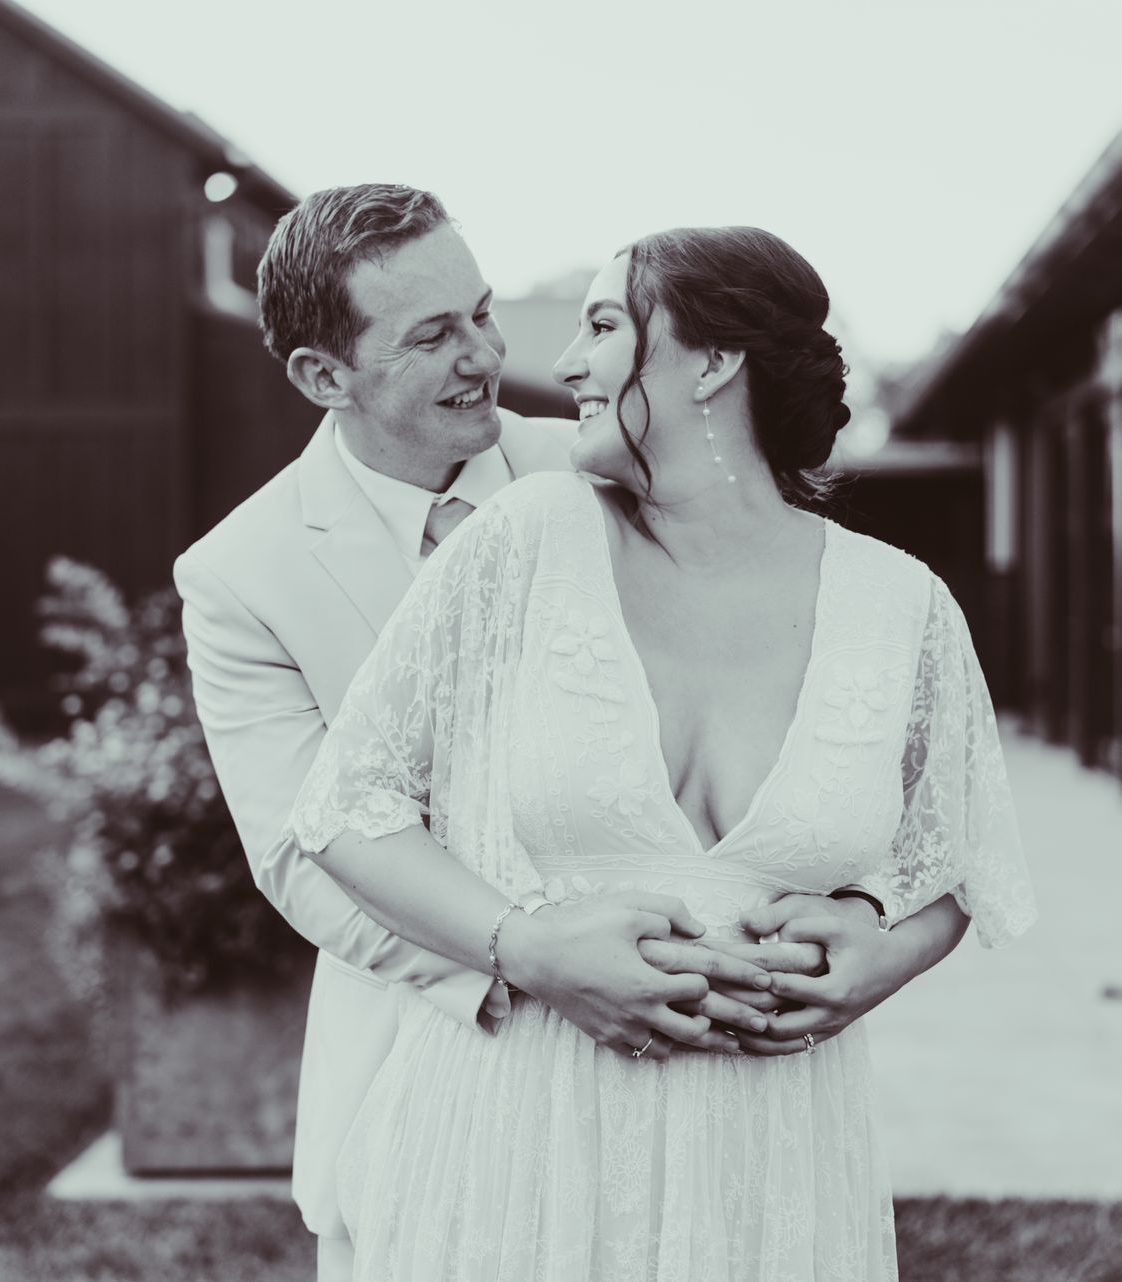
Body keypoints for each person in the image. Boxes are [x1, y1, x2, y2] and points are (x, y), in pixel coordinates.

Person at [176, 187, 972, 1281]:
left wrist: (854, 914)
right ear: (325, 377)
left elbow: (795, 686)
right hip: (455, 1057)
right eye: (433, 335)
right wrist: (534, 958)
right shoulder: (241, 574)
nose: (492, 356)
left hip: (741, 1100)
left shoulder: (607, 464)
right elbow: (300, 849)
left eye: (483, 312)